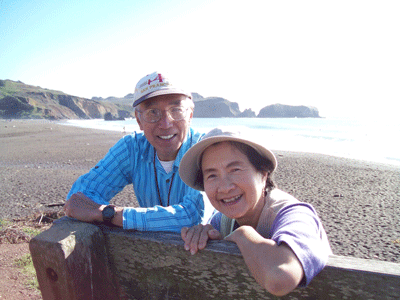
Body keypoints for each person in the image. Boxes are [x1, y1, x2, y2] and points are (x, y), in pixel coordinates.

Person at [178, 127, 332, 296]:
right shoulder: (222, 221)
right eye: (212, 175)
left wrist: (243, 234)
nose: (224, 187)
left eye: (235, 170)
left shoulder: (295, 215)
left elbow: (280, 278)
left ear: (263, 174)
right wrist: (203, 233)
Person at [64, 72, 205, 232]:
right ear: (139, 120)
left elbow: (194, 215)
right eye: (153, 112)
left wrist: (108, 214)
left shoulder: (205, 150)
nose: (166, 124)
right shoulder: (132, 149)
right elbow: (79, 197)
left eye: (176, 110)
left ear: (190, 116)